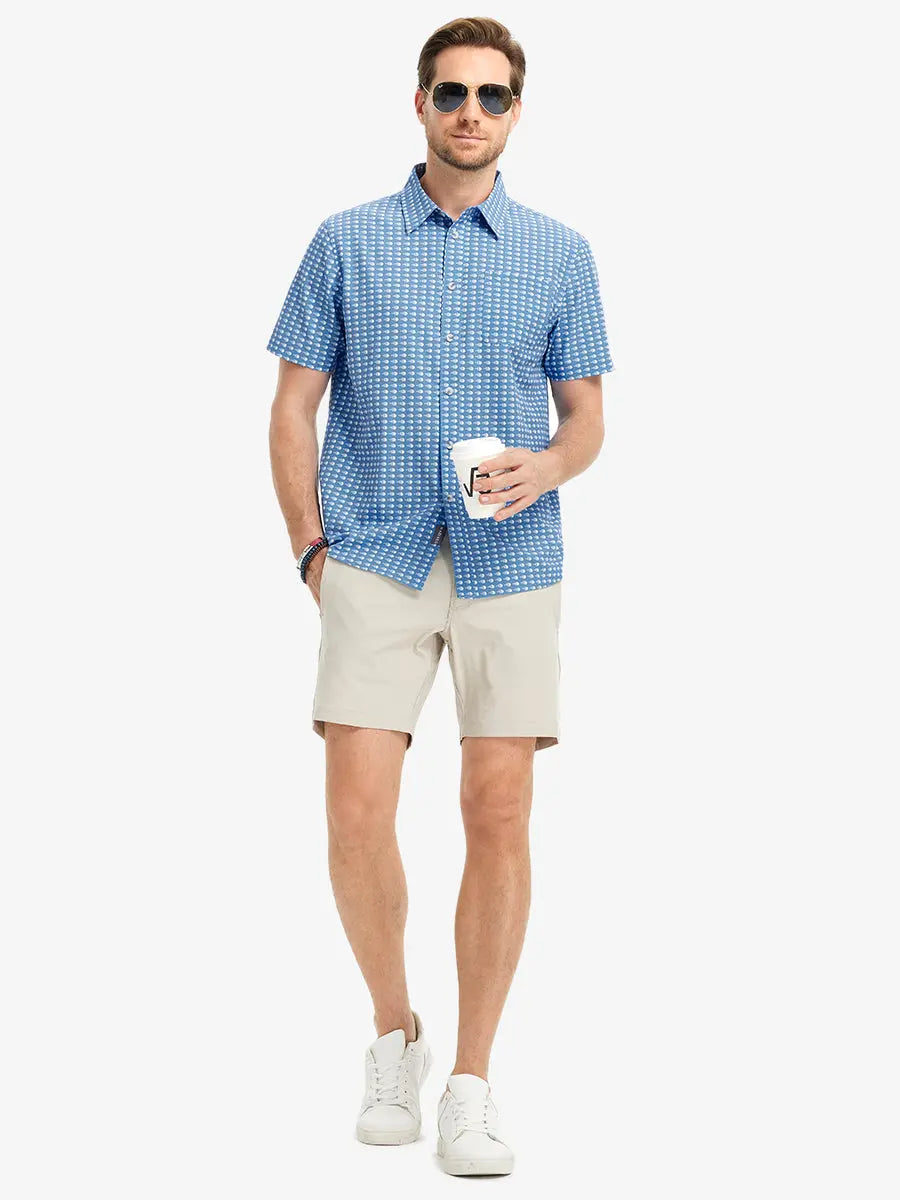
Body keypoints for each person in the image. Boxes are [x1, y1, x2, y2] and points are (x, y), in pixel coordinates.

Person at [266, 16, 614, 1177]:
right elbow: (292, 406)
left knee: (498, 808)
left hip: (513, 560)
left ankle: (471, 1080)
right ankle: (393, 1036)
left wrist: (549, 466)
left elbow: (587, 419)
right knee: (356, 813)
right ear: (419, 104)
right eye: (453, 93)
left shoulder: (560, 253)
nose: (472, 112)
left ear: (517, 111)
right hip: (373, 552)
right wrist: (310, 551)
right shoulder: (346, 240)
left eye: (493, 95)